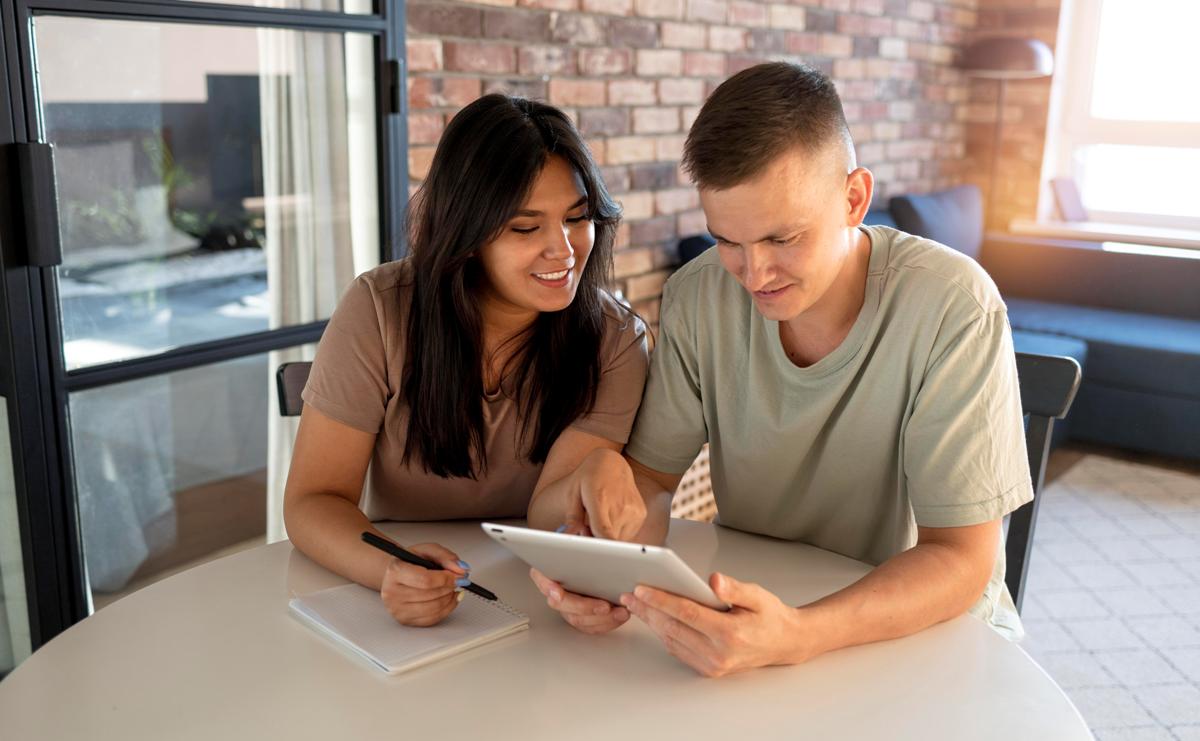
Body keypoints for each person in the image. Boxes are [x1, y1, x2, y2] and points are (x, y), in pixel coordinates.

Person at [534, 62, 1033, 674]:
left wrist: (800, 635)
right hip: (767, 604)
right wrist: (604, 563)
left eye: (783, 239)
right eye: (728, 240)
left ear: (854, 200)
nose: (754, 274)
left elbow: (961, 559)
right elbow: (652, 482)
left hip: (924, 636)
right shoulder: (699, 294)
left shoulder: (953, 305)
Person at [284, 94, 651, 628]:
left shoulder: (614, 340)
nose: (565, 250)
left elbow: (547, 514)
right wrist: (390, 567)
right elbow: (313, 500)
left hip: (525, 592)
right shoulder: (379, 309)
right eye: (526, 228)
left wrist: (589, 479)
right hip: (393, 575)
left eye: (578, 218)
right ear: (468, 233)